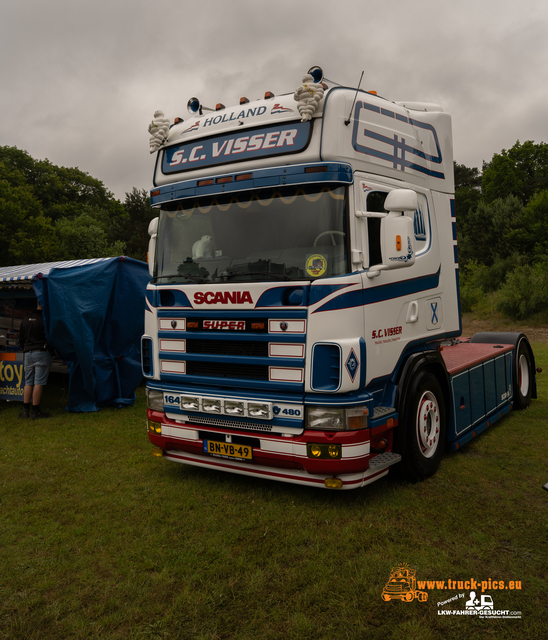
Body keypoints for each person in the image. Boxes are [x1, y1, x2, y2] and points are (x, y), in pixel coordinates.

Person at [18, 301, 53, 419]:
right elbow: (50, 337)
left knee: (28, 382)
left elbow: (20, 338)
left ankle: (24, 411)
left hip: (28, 353)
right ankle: (35, 411)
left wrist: (25, 349)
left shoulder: (26, 318)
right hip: (41, 352)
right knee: (38, 383)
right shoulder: (44, 319)